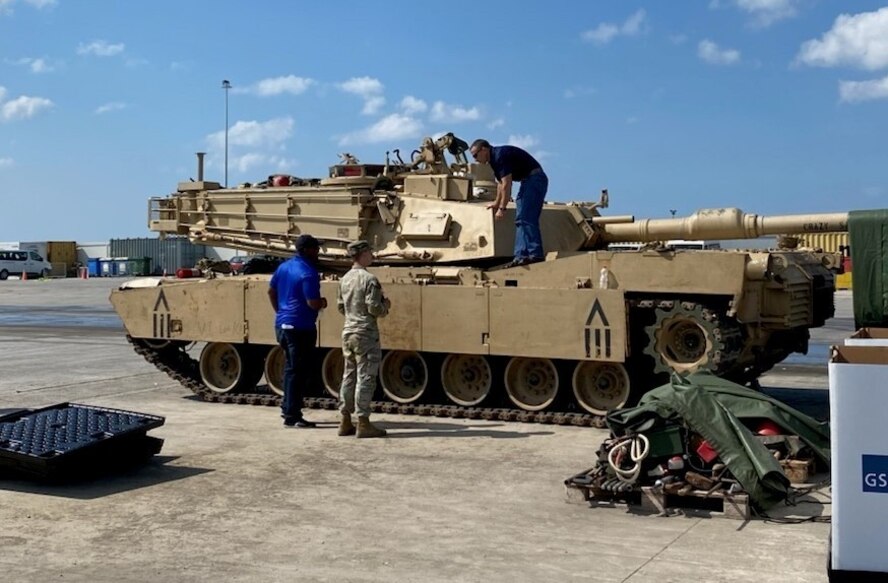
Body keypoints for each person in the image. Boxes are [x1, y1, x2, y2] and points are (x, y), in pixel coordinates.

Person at [268, 234, 327, 428]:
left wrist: (281, 312)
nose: (318, 252)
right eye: (316, 249)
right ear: (308, 250)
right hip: (300, 328)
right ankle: (292, 416)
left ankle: (288, 409)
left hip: (283, 326)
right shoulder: (308, 272)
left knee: (291, 369)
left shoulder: (284, 267)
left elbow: (271, 290)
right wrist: (323, 302)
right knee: (297, 371)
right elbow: (313, 302)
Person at [336, 240, 390, 438]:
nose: (372, 255)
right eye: (370, 252)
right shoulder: (369, 279)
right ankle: (364, 422)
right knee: (366, 377)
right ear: (363, 254)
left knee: (348, 376)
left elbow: (341, 307)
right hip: (365, 333)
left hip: (348, 331)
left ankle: (344, 420)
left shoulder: (344, 279)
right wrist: (386, 306)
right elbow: (374, 308)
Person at [469, 138, 548, 268]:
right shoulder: (494, 160)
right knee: (520, 219)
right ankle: (520, 256)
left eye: (475, 155)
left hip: (535, 179)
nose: (475, 159)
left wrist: (502, 208)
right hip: (528, 181)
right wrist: (496, 203)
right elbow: (500, 184)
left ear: (484, 150)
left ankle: (535, 254)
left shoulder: (500, 156)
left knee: (526, 218)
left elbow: (507, 184)